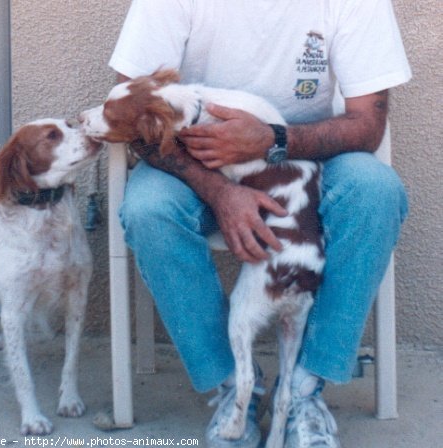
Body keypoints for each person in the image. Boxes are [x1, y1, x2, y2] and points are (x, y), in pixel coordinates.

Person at [108, 1, 411, 447]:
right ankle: (234, 390)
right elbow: (132, 118)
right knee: (148, 210)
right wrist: (220, 192)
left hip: (309, 157)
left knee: (377, 192)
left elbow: (367, 126)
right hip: (199, 161)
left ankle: (305, 389)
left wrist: (275, 140)